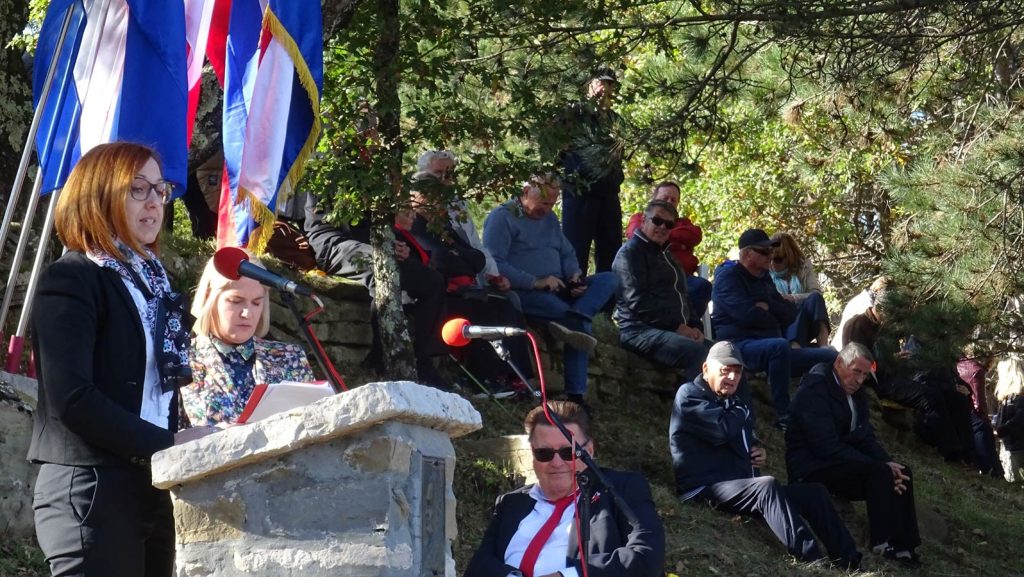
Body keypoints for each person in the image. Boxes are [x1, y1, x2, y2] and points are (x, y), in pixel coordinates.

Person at [28, 142, 216, 577]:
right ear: (99, 196)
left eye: (160, 189)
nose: (154, 202)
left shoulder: (155, 286)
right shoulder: (73, 278)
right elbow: (71, 399)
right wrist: (168, 445)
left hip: (152, 488)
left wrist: (182, 440)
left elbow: (151, 396)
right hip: (90, 489)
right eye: (137, 189)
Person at [669, 342, 861, 569]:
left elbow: (742, 437)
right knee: (766, 486)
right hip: (703, 487)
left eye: (737, 371)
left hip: (738, 486)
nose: (732, 376)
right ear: (706, 369)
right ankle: (812, 559)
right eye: (725, 370)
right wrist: (742, 409)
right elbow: (721, 430)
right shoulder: (690, 395)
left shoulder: (732, 402)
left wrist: (757, 451)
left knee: (814, 492)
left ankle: (850, 561)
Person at [464, 400, 665, 577]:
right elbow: (479, 567)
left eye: (569, 452)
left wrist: (568, 576)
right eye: (544, 453)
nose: (557, 463)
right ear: (532, 454)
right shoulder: (511, 503)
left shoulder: (619, 489)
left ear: (590, 451)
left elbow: (646, 556)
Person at [483, 174, 618, 403]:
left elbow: (565, 252)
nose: (546, 209)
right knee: (579, 325)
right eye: (543, 203)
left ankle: (578, 311)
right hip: (529, 292)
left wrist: (574, 275)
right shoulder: (502, 218)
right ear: (526, 192)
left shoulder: (550, 219)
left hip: (561, 286)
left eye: (552, 204)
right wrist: (537, 282)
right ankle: (576, 395)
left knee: (609, 280)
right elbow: (495, 264)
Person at [786, 344, 923, 568]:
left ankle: (906, 545)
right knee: (879, 472)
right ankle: (883, 542)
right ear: (839, 363)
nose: (859, 380)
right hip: (812, 467)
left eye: (865, 374)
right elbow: (825, 446)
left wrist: (889, 463)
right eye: (855, 371)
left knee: (902, 472)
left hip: (840, 462)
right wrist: (880, 467)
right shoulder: (816, 388)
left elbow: (865, 437)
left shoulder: (856, 393)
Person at [297, 190, 450, 387]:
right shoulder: (326, 169)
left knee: (433, 280)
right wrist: (383, 248)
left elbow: (374, 225)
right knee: (382, 271)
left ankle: (423, 358)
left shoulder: (375, 173)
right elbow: (325, 223)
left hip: (368, 244)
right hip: (332, 242)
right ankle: (380, 358)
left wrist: (396, 245)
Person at [400, 174, 532, 396]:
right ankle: (485, 378)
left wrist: (457, 256)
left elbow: (477, 259)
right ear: (416, 198)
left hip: (462, 288)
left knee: (506, 305)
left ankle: (519, 377)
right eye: (429, 197)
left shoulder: (443, 227)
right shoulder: (415, 225)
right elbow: (438, 259)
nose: (437, 204)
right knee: (479, 310)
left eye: (440, 198)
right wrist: (458, 258)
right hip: (437, 293)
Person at [710, 228, 837, 427]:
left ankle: (819, 411)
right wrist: (770, 312)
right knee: (779, 346)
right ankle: (784, 414)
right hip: (740, 347)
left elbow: (790, 314)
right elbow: (747, 317)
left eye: (771, 251)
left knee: (831, 356)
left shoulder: (765, 279)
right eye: (764, 252)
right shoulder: (728, 278)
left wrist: (767, 307)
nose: (771, 256)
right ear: (746, 254)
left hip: (775, 349)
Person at [181, 254, 316, 426]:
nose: (247, 313)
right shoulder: (183, 360)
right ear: (209, 297)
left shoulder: (290, 357)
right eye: (236, 301)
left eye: (256, 303)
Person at [843, 288, 975, 463]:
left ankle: (968, 455)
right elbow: (857, 361)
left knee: (953, 397)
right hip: (876, 380)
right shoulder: (858, 325)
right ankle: (949, 452)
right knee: (930, 397)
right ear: (881, 309)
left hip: (895, 376)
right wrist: (890, 360)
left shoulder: (886, 329)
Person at [613, 199, 709, 380]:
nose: (663, 227)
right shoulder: (629, 254)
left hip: (671, 332)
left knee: (728, 355)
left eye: (669, 224)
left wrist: (696, 327)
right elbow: (638, 302)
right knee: (697, 353)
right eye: (657, 221)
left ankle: (738, 409)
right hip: (638, 331)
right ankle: (693, 407)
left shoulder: (670, 258)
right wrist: (677, 327)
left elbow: (684, 298)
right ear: (643, 222)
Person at [558, 67, 625, 274]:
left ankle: (606, 302)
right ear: (589, 85)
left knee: (610, 253)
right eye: (599, 82)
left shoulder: (614, 120)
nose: (603, 88)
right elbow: (556, 152)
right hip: (580, 194)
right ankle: (574, 301)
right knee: (575, 254)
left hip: (608, 194)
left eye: (609, 84)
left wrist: (616, 180)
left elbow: (619, 155)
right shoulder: (572, 114)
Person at [416, 150, 513, 294]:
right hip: (447, 287)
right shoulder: (415, 215)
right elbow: (440, 258)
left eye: (449, 174)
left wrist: (494, 275)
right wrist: (465, 258)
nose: (444, 179)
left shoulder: (457, 203)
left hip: (473, 276)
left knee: (510, 298)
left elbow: (475, 245)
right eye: (438, 173)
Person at [625, 181, 712, 319]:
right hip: (652, 277)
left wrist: (661, 233)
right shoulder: (640, 218)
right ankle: (673, 327)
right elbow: (637, 234)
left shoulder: (684, 222)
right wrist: (679, 243)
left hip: (682, 279)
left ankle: (686, 326)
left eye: (673, 200)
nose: (669, 202)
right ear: (654, 199)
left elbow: (695, 235)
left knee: (702, 286)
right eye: (665, 198)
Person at [769, 232, 830, 347]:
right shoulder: (765, 273)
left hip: (804, 318)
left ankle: (824, 346)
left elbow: (815, 292)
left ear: (789, 256)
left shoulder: (804, 267)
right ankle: (795, 347)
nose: (772, 264)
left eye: (777, 260)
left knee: (816, 299)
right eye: (770, 259)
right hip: (780, 323)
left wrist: (793, 298)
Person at [994, 355, 1024, 482]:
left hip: (1017, 448)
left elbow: (1020, 419)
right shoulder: (1008, 398)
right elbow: (1000, 416)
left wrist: (1001, 430)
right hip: (1011, 446)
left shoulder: (1019, 398)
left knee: (1015, 481)